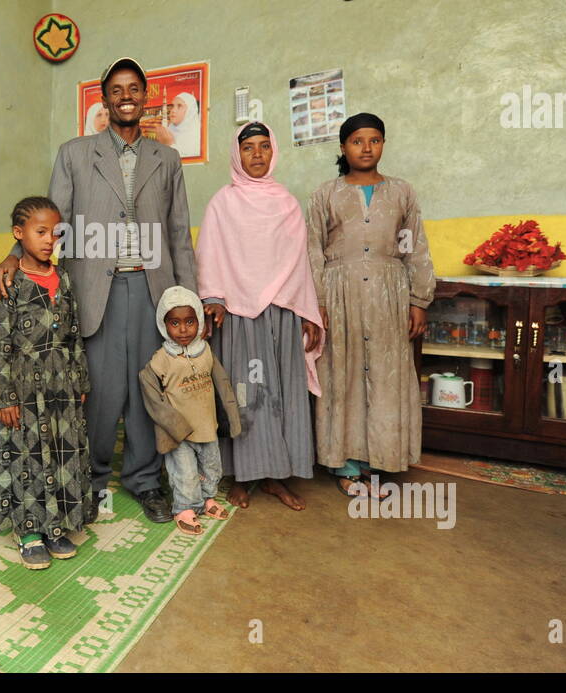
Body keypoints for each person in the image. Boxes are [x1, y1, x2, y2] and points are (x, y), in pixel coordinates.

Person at [0, 57, 208, 525]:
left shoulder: (166, 160)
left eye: (133, 89)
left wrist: (189, 299)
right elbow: (53, 220)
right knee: (100, 392)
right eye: (116, 90)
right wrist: (14, 253)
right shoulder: (75, 153)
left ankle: (146, 481)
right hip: (94, 290)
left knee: (151, 391)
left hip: (153, 288)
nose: (125, 96)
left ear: (145, 97)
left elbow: (177, 232)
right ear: (104, 100)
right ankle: (88, 481)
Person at [198, 121, 323, 510]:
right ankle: (240, 476)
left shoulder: (286, 203)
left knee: (280, 395)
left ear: (273, 152)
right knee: (243, 395)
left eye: (264, 146)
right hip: (237, 315)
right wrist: (213, 298)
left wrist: (305, 310)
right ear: (237, 155)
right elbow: (210, 254)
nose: (257, 154)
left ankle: (274, 477)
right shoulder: (223, 202)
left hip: (281, 313)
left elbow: (298, 262)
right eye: (248, 147)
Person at [307, 113, 434, 497]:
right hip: (339, 293)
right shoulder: (324, 194)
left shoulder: (402, 193)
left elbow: (414, 246)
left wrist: (418, 299)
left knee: (385, 375)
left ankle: (377, 463)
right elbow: (311, 250)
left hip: (388, 295)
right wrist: (319, 302)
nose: (366, 148)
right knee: (341, 376)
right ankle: (345, 466)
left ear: (383, 144)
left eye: (375, 140)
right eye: (358, 141)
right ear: (343, 148)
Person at [0, 196, 91, 569]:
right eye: (40, 232)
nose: (50, 240)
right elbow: (0, 343)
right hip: (24, 385)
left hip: (61, 382)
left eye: (55, 232)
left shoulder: (61, 277)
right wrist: (5, 397)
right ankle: (28, 529)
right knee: (29, 456)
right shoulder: (9, 282)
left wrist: (80, 377)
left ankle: (54, 525)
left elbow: (75, 333)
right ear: (19, 235)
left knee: (62, 451)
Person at [138, 286, 241, 535]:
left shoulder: (205, 351)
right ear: (164, 325)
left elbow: (222, 385)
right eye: (175, 323)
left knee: (211, 468)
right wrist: (173, 425)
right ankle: (185, 507)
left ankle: (207, 500)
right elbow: (149, 389)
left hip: (207, 426)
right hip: (180, 432)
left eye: (190, 322)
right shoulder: (162, 358)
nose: (183, 329)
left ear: (200, 321)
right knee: (184, 472)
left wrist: (230, 417)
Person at [166, 91, 201, 157]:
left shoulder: (197, 134)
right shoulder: (170, 128)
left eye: (179, 106)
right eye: (172, 106)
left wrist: (170, 144)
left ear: (190, 111)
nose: (173, 110)